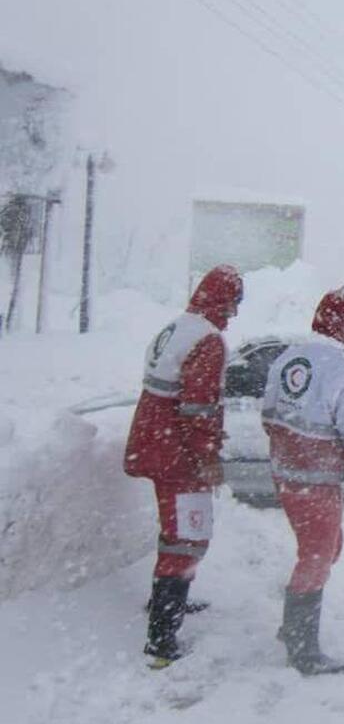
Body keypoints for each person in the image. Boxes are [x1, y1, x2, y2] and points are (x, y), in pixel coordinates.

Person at [261, 284, 344, 675]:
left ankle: (293, 626)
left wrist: (290, 452)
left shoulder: (287, 358)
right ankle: (302, 649)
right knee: (317, 556)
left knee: (327, 549)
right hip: (316, 483)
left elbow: (269, 416)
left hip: (285, 476)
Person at [124, 264, 243, 668]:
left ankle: (167, 601)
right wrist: (207, 458)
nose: (234, 313)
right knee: (188, 537)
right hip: (178, 454)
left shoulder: (176, 327)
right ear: (221, 300)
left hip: (154, 443)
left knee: (175, 532)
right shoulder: (208, 340)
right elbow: (198, 409)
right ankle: (161, 640)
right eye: (234, 303)